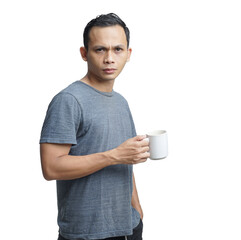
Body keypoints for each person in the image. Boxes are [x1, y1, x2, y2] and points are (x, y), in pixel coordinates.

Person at [40, 13, 149, 240]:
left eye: (117, 49)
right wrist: (114, 156)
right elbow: (51, 168)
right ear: (84, 53)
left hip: (129, 228)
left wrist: (137, 211)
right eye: (100, 49)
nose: (109, 58)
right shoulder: (68, 100)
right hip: (86, 234)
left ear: (128, 54)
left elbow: (126, 161)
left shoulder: (121, 102)